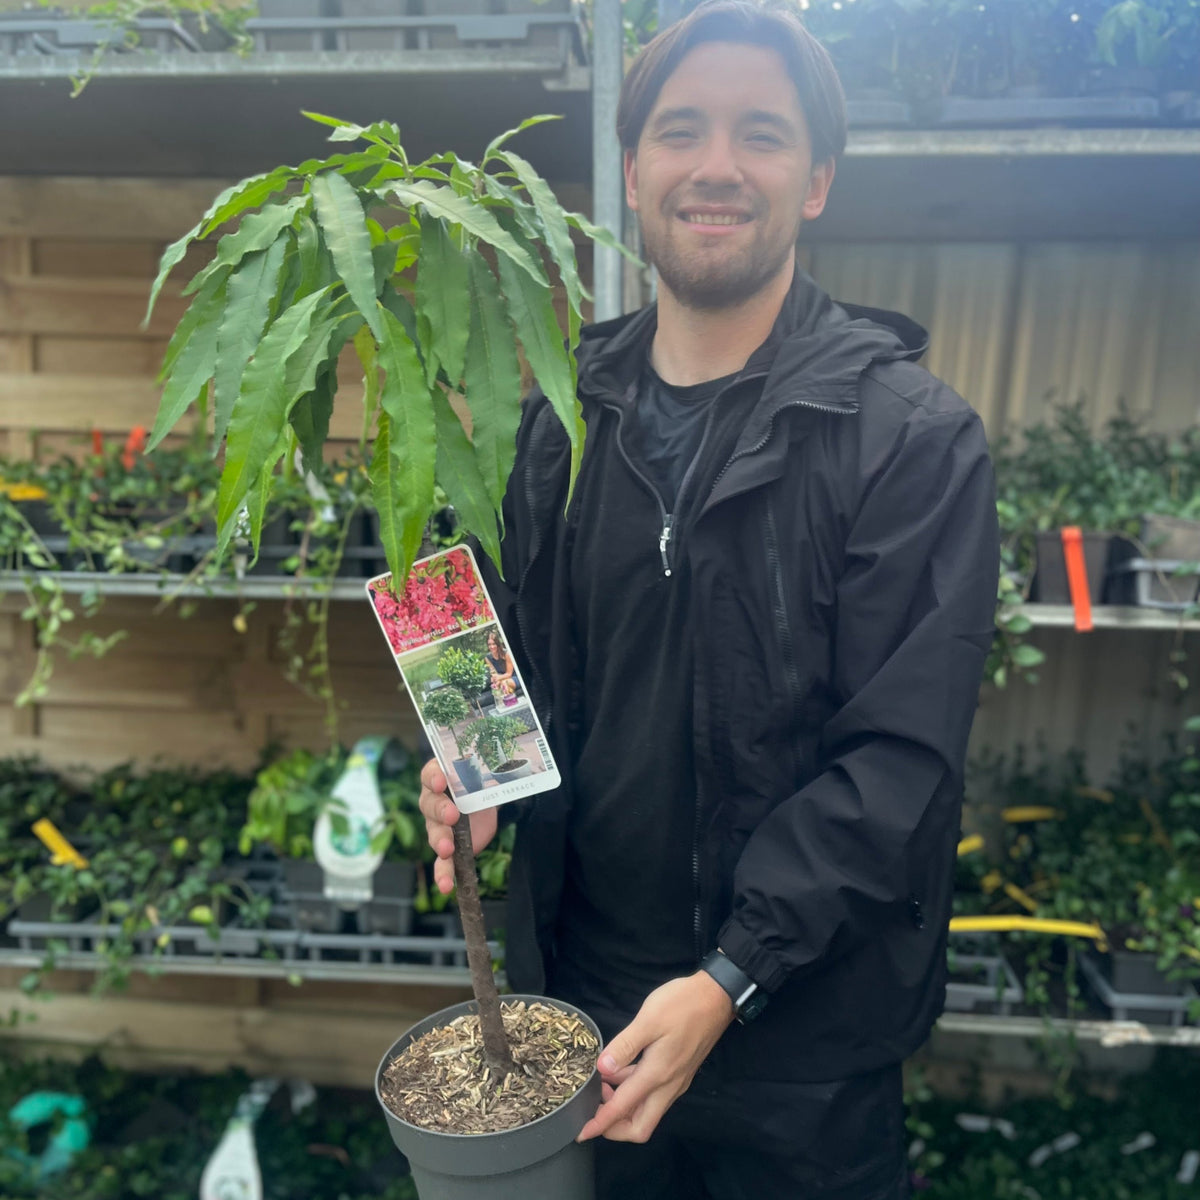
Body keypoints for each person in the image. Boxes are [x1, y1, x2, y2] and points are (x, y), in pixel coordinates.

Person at [420, 2, 1000, 1196]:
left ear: (818, 179)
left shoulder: (910, 440)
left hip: (800, 1053)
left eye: (763, 134)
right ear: (634, 171)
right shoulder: (555, 422)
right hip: (581, 1020)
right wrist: (470, 774)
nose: (718, 165)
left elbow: (898, 761)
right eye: (682, 130)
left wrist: (732, 975)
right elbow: (500, 651)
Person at [485, 629, 517, 697]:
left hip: (514, 677)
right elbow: (493, 673)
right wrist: (494, 679)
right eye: (489, 644)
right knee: (495, 686)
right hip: (501, 678)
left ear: (498, 644)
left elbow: (509, 674)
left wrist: (498, 678)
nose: (492, 647)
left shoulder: (507, 654)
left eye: (494, 644)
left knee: (504, 683)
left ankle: (511, 702)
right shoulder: (488, 658)